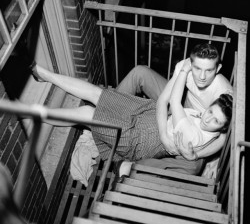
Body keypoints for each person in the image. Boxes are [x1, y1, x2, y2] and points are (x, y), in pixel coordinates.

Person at [29, 57, 232, 164]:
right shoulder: (202, 115)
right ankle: (47, 75)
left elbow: (175, 104)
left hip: (145, 140)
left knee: (89, 114)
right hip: (150, 114)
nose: (208, 118)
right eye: (210, 112)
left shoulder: (195, 132)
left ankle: (36, 113)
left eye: (216, 121)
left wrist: (196, 156)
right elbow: (165, 102)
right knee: (97, 93)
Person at [116, 43, 233, 174]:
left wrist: (197, 155)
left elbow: (223, 137)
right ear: (191, 63)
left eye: (209, 70)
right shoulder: (185, 66)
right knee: (139, 72)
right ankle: (107, 112)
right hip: (180, 103)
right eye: (197, 68)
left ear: (218, 68)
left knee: (194, 167)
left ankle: (134, 167)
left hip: (203, 127)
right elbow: (163, 100)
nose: (202, 76)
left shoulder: (224, 92)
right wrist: (163, 135)